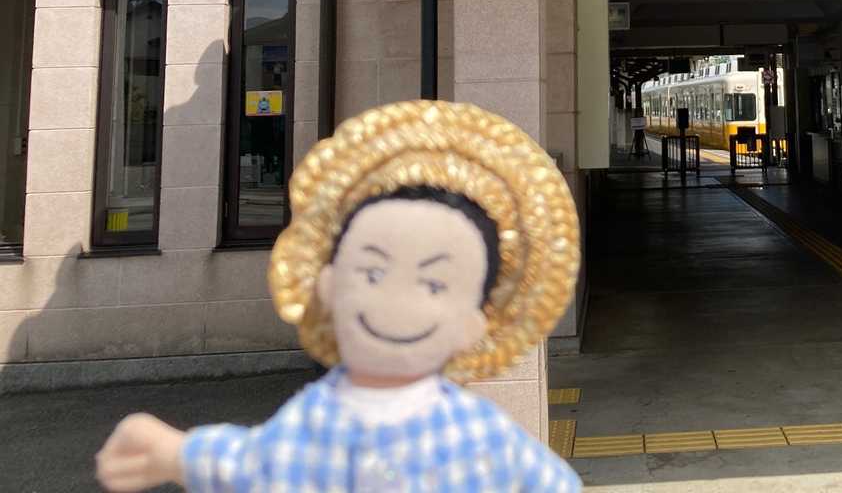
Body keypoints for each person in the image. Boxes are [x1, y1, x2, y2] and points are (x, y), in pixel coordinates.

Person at [95, 100, 582, 492]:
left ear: (474, 324)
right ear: (328, 284)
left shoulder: (477, 434)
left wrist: (177, 455)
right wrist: (176, 454)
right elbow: (255, 465)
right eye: (372, 272)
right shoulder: (316, 419)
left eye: (434, 284)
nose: (396, 301)